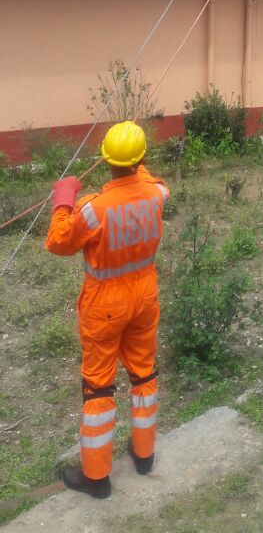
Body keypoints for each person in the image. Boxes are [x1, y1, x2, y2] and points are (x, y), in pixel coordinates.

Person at [45, 121, 169, 499]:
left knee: (98, 385)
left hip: (105, 305)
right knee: (143, 374)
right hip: (144, 296)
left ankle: (96, 478)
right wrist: (136, 163)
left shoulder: (94, 209)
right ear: (142, 159)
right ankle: (144, 455)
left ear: (105, 161)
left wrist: (64, 199)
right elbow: (148, 179)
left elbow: (58, 242)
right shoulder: (158, 194)